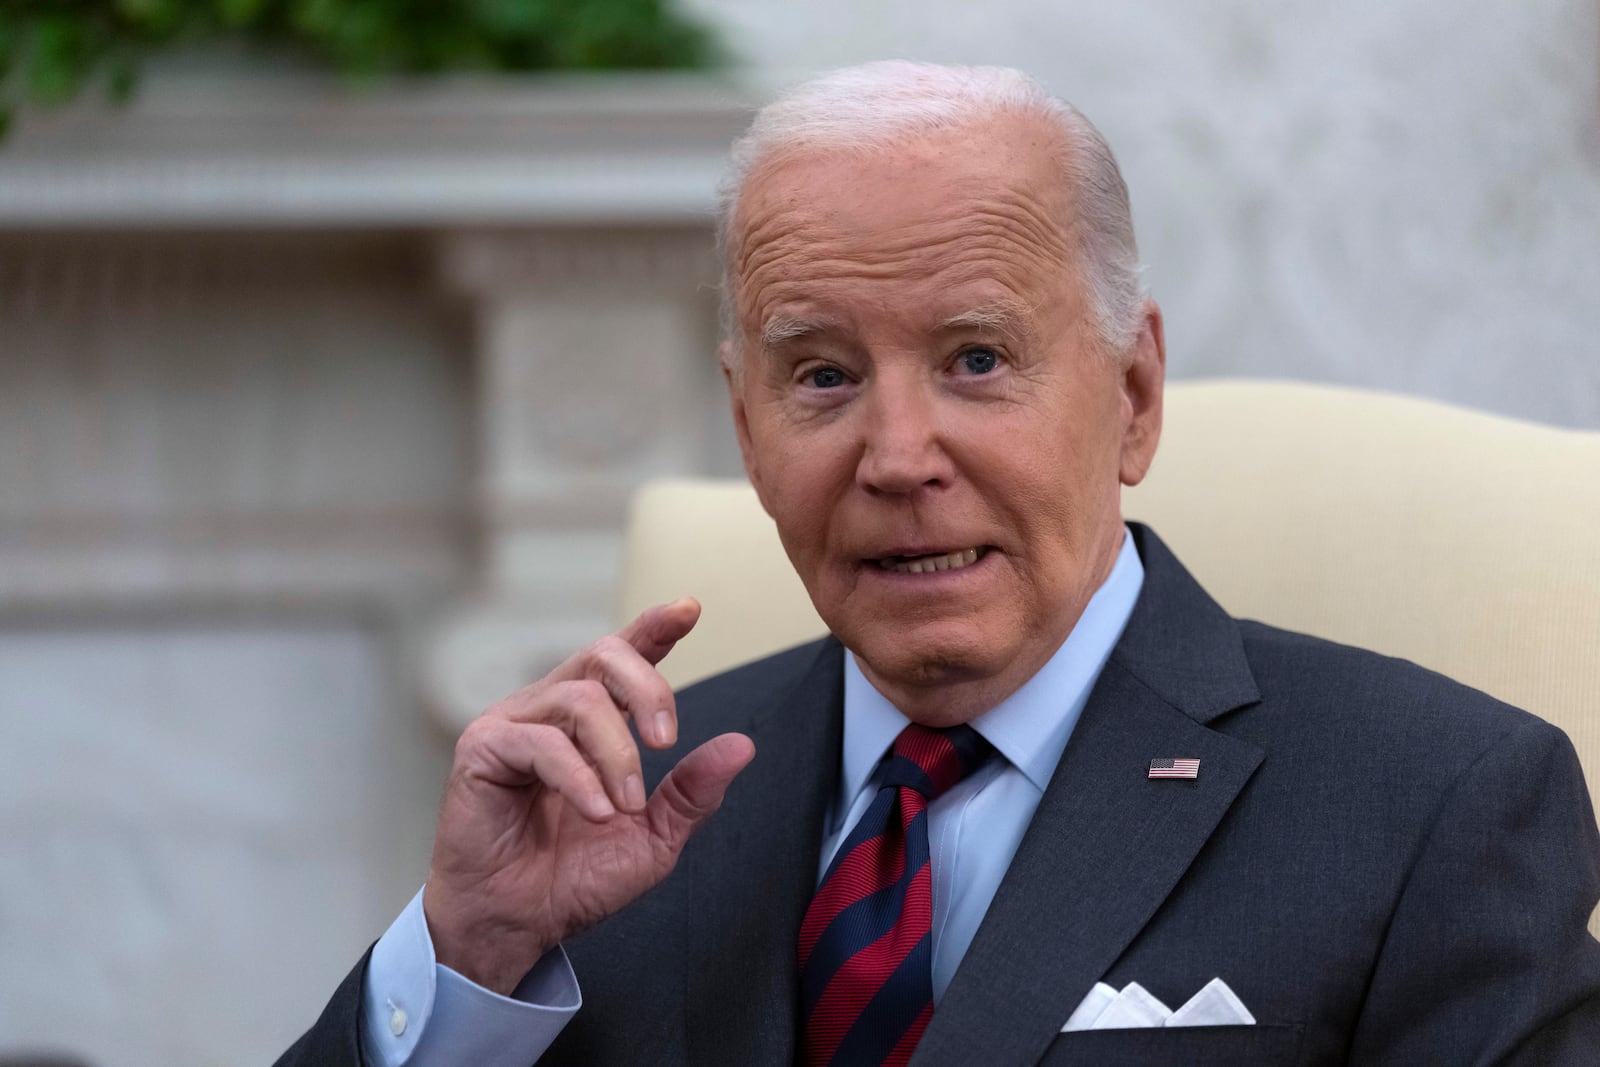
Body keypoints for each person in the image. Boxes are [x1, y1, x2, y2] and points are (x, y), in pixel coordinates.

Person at [277, 62, 1600, 1066]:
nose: (897, 455)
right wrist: (471, 954)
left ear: (1133, 396)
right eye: (823, 376)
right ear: (748, 428)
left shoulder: (1441, 805)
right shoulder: (616, 818)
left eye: (976, 359)